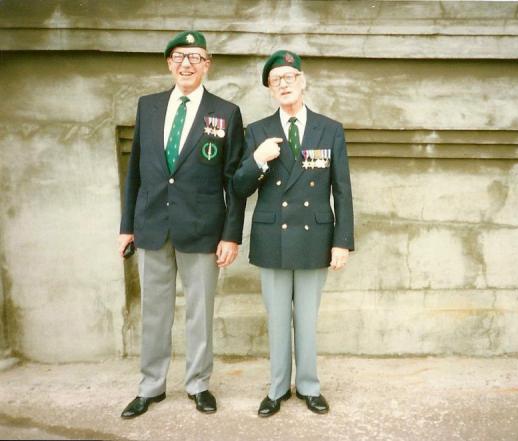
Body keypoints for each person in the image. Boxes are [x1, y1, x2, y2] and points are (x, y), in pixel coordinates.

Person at [117, 30, 245, 418]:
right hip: (153, 225)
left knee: (199, 312)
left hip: (203, 229)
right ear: (169, 63)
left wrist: (231, 235)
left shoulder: (226, 113)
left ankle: (198, 384)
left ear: (207, 64)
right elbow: (135, 172)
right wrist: (127, 226)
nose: (186, 64)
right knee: (154, 311)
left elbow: (234, 181)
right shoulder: (149, 106)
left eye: (195, 57)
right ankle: (151, 386)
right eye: (179, 57)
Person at [232, 50, 354, 417]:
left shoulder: (329, 129)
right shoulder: (257, 132)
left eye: (289, 77)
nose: (283, 85)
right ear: (270, 91)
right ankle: (276, 389)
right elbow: (238, 188)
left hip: (315, 238)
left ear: (302, 81)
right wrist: (258, 159)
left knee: (307, 319)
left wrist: (342, 242)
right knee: (277, 319)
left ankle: (309, 386)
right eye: (275, 81)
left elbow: (342, 190)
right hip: (273, 238)